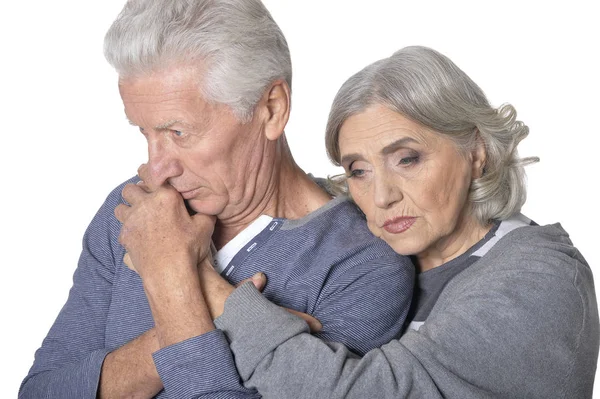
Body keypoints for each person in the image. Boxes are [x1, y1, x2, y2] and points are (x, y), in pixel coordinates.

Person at [18, 1, 414, 398]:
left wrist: (170, 273)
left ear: (271, 109)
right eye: (144, 132)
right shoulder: (133, 212)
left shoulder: (363, 267)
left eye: (178, 133)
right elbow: (40, 391)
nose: (155, 169)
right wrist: (213, 320)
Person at [193, 46, 600, 398]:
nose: (383, 196)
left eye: (407, 159)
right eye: (359, 170)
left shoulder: (539, 276)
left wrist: (202, 282)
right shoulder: (368, 254)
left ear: (476, 152)